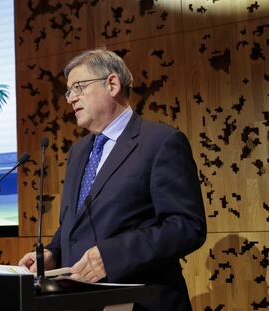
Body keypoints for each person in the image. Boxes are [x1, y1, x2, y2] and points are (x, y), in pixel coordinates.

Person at [19, 47, 206, 311]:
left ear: (112, 84)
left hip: (142, 303)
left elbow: (187, 226)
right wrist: (51, 253)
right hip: (82, 301)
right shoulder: (79, 151)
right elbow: (74, 223)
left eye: (79, 87)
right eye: (69, 91)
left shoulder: (160, 142)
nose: (71, 99)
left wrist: (112, 256)